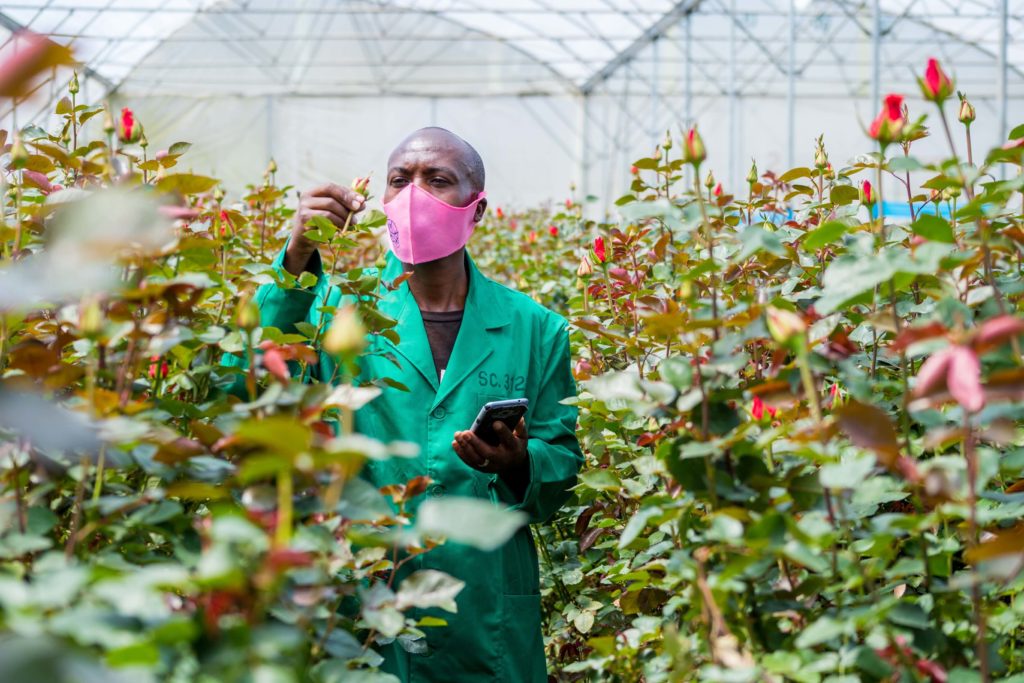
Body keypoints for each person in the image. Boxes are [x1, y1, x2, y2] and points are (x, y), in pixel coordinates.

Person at [237, 127, 583, 681]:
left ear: (478, 209)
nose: (414, 194)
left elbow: (561, 462)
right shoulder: (333, 309)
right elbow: (249, 387)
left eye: (438, 180)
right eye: (400, 180)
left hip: (484, 602)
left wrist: (520, 462)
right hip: (365, 590)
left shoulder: (535, 328)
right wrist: (297, 258)